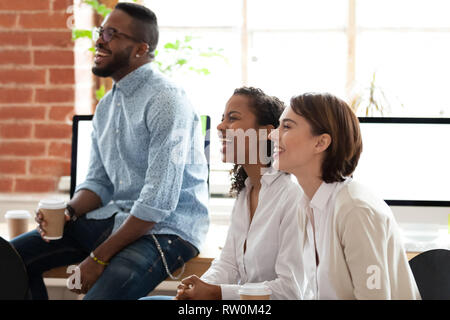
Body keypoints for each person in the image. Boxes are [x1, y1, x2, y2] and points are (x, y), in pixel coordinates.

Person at [11, 3, 209, 300]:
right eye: (101, 31)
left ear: (141, 49)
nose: (99, 39)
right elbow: (100, 184)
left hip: (166, 231)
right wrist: (69, 211)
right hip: (116, 218)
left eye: (111, 34)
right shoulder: (107, 106)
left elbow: (157, 203)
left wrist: (98, 259)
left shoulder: (166, 101)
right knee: (8, 262)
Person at [143, 87, 307, 300]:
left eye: (233, 118)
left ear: (266, 132)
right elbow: (228, 262)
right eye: (222, 118)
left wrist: (216, 292)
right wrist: (198, 288)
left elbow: (290, 291)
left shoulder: (292, 197)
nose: (220, 126)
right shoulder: (247, 191)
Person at [268, 92, 421, 299]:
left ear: (321, 143)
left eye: (286, 126)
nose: (272, 135)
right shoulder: (306, 205)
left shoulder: (355, 209)